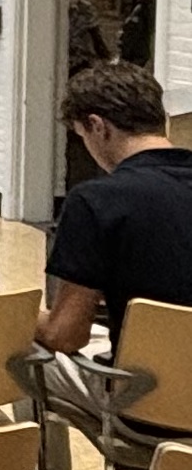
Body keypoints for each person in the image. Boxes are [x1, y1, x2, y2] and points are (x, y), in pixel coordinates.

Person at [39, 63, 192, 372]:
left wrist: (13, 318)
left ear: (98, 127)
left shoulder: (95, 200)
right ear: (162, 120)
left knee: (27, 361)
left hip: (150, 404)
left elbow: (65, 336)